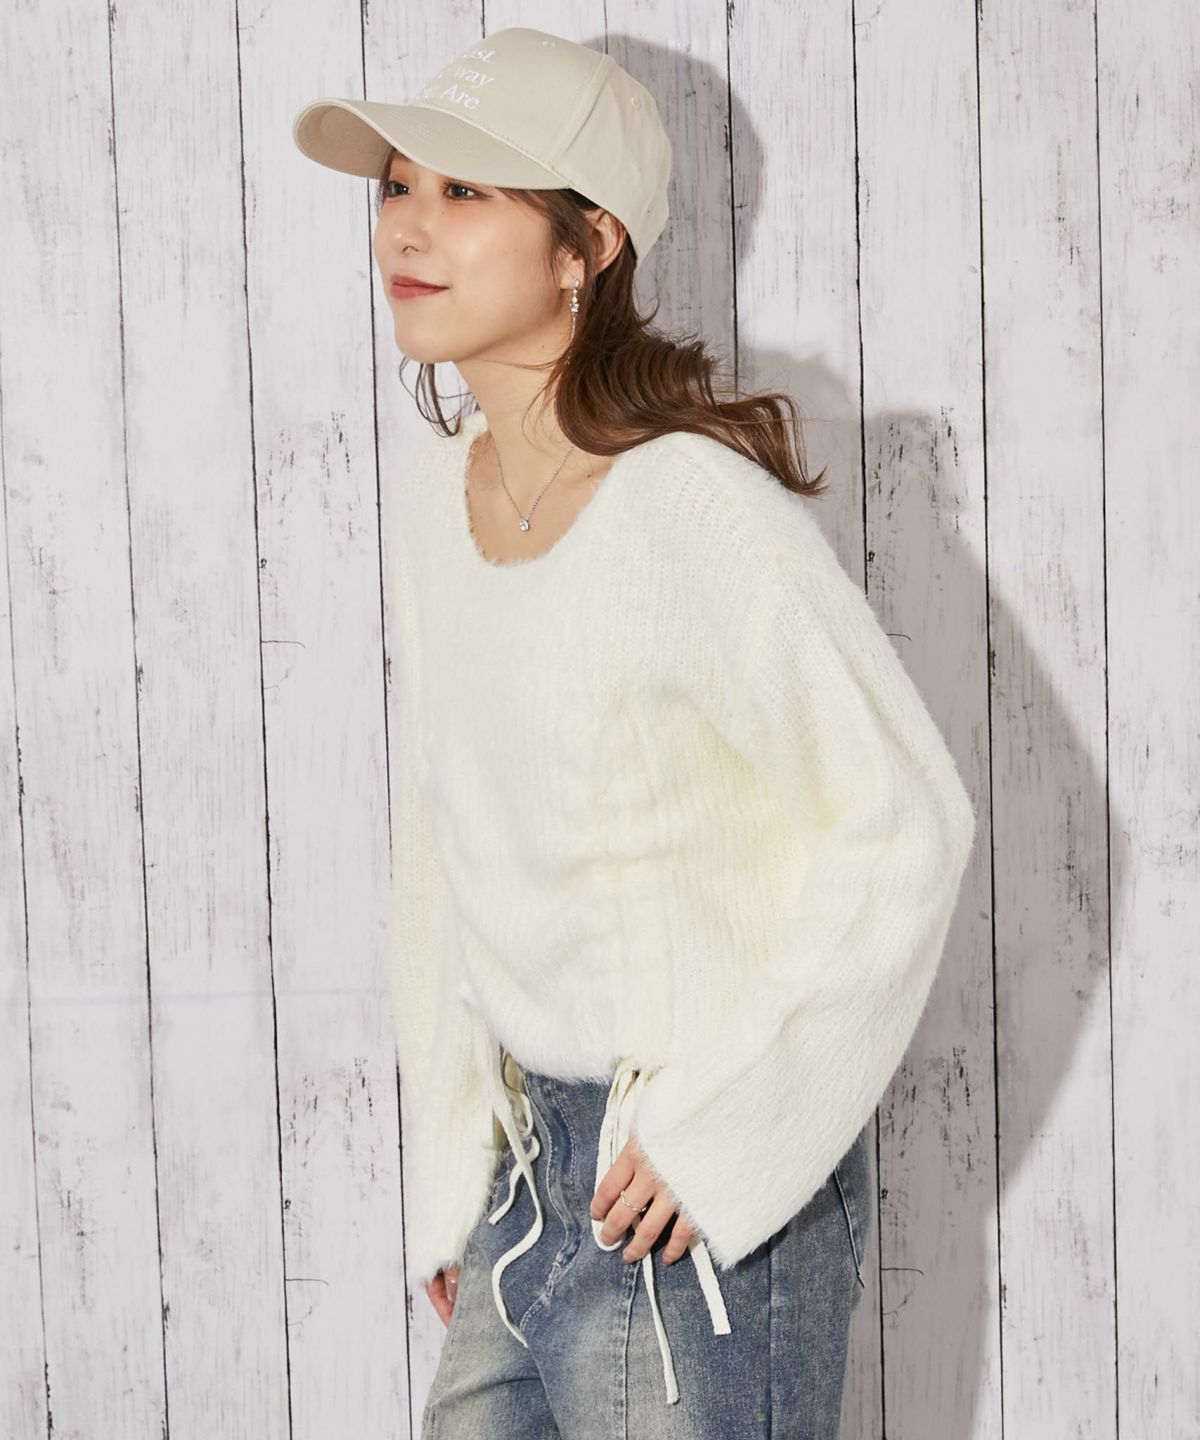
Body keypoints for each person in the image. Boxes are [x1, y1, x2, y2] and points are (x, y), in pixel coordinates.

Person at [293, 25, 975, 1438]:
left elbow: (910, 819)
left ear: (586, 245)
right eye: (397, 186)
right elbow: (445, 840)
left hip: (690, 1189)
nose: (407, 227)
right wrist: (451, 1178)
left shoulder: (689, 506)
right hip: (526, 1176)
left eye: (465, 191)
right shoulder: (435, 492)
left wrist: (731, 1132)